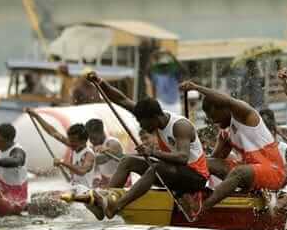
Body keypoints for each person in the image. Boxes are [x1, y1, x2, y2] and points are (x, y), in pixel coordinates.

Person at [85, 72, 211, 220]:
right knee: (128, 161)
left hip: (196, 178)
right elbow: (122, 99)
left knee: (156, 167)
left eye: (142, 122)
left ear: (154, 118)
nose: (141, 126)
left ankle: (117, 206)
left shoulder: (180, 126)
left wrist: (152, 152)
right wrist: (100, 82)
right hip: (174, 173)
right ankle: (106, 200)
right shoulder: (149, 114)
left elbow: (182, 158)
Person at [178, 81, 287, 218]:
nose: (212, 121)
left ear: (224, 109)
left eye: (212, 116)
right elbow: (210, 163)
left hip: (274, 173)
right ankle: (192, 197)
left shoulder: (246, 115)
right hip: (251, 173)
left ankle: (203, 209)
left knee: (239, 171)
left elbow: (228, 100)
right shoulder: (225, 134)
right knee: (204, 162)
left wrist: (196, 88)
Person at [26, 109, 97, 190]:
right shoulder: (75, 145)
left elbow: (81, 171)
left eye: (74, 141)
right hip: (74, 189)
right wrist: (37, 116)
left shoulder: (89, 154)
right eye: (70, 140)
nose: (70, 143)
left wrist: (63, 162)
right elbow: (53, 132)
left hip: (85, 192)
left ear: (83, 141)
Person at [87, 119, 123, 187]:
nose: (92, 141)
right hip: (108, 182)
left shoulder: (112, 143)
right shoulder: (94, 147)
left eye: (94, 138)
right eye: (89, 139)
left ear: (101, 132)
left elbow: (102, 159)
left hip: (121, 182)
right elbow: (95, 170)